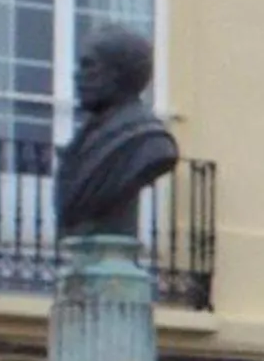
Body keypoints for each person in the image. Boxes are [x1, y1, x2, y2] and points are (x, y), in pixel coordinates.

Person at [53, 26, 177, 238]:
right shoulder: (88, 135)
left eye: (89, 66)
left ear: (119, 73)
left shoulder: (148, 141)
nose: (77, 75)